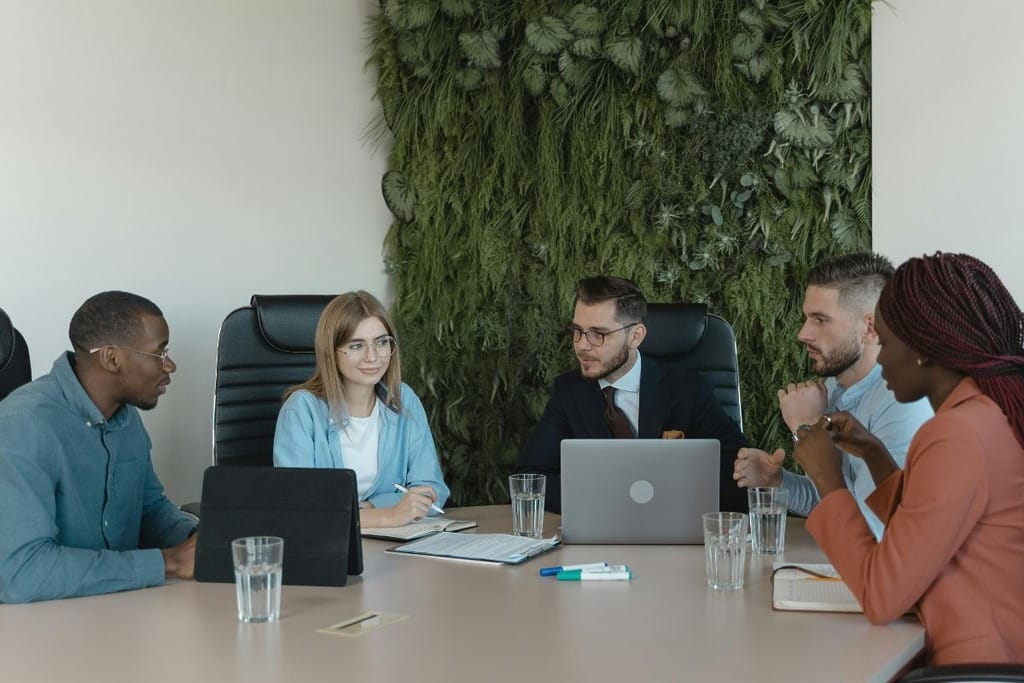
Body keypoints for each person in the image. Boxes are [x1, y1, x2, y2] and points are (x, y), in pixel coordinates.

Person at [793, 252, 1024, 664]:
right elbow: (928, 526)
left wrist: (829, 480)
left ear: (922, 349)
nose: (880, 358)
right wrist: (875, 454)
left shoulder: (957, 434)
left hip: (975, 665)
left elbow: (882, 597)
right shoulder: (982, 413)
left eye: (886, 341)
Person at [0, 292, 197, 603]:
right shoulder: (24, 426)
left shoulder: (125, 416)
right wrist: (168, 561)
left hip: (117, 610)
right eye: (159, 353)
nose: (170, 365)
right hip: (38, 629)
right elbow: (24, 573)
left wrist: (198, 539)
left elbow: (148, 509)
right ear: (112, 358)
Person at [733, 253, 932, 538]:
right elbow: (833, 498)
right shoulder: (834, 388)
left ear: (870, 327)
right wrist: (776, 481)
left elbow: (872, 530)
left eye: (821, 320)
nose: (803, 334)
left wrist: (807, 429)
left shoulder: (903, 404)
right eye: (807, 318)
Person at [516, 276, 748, 513]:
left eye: (598, 334)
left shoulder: (688, 390)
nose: (582, 345)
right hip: (600, 533)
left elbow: (741, 470)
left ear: (635, 336)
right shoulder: (568, 393)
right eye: (578, 330)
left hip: (672, 529)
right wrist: (606, 501)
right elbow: (531, 478)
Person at [273, 291, 449, 527]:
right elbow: (299, 507)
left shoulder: (402, 398)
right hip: (328, 550)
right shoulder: (301, 410)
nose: (373, 356)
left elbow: (432, 489)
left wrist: (372, 506)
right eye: (356, 346)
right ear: (331, 353)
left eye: (381, 342)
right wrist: (389, 513)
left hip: (397, 547)